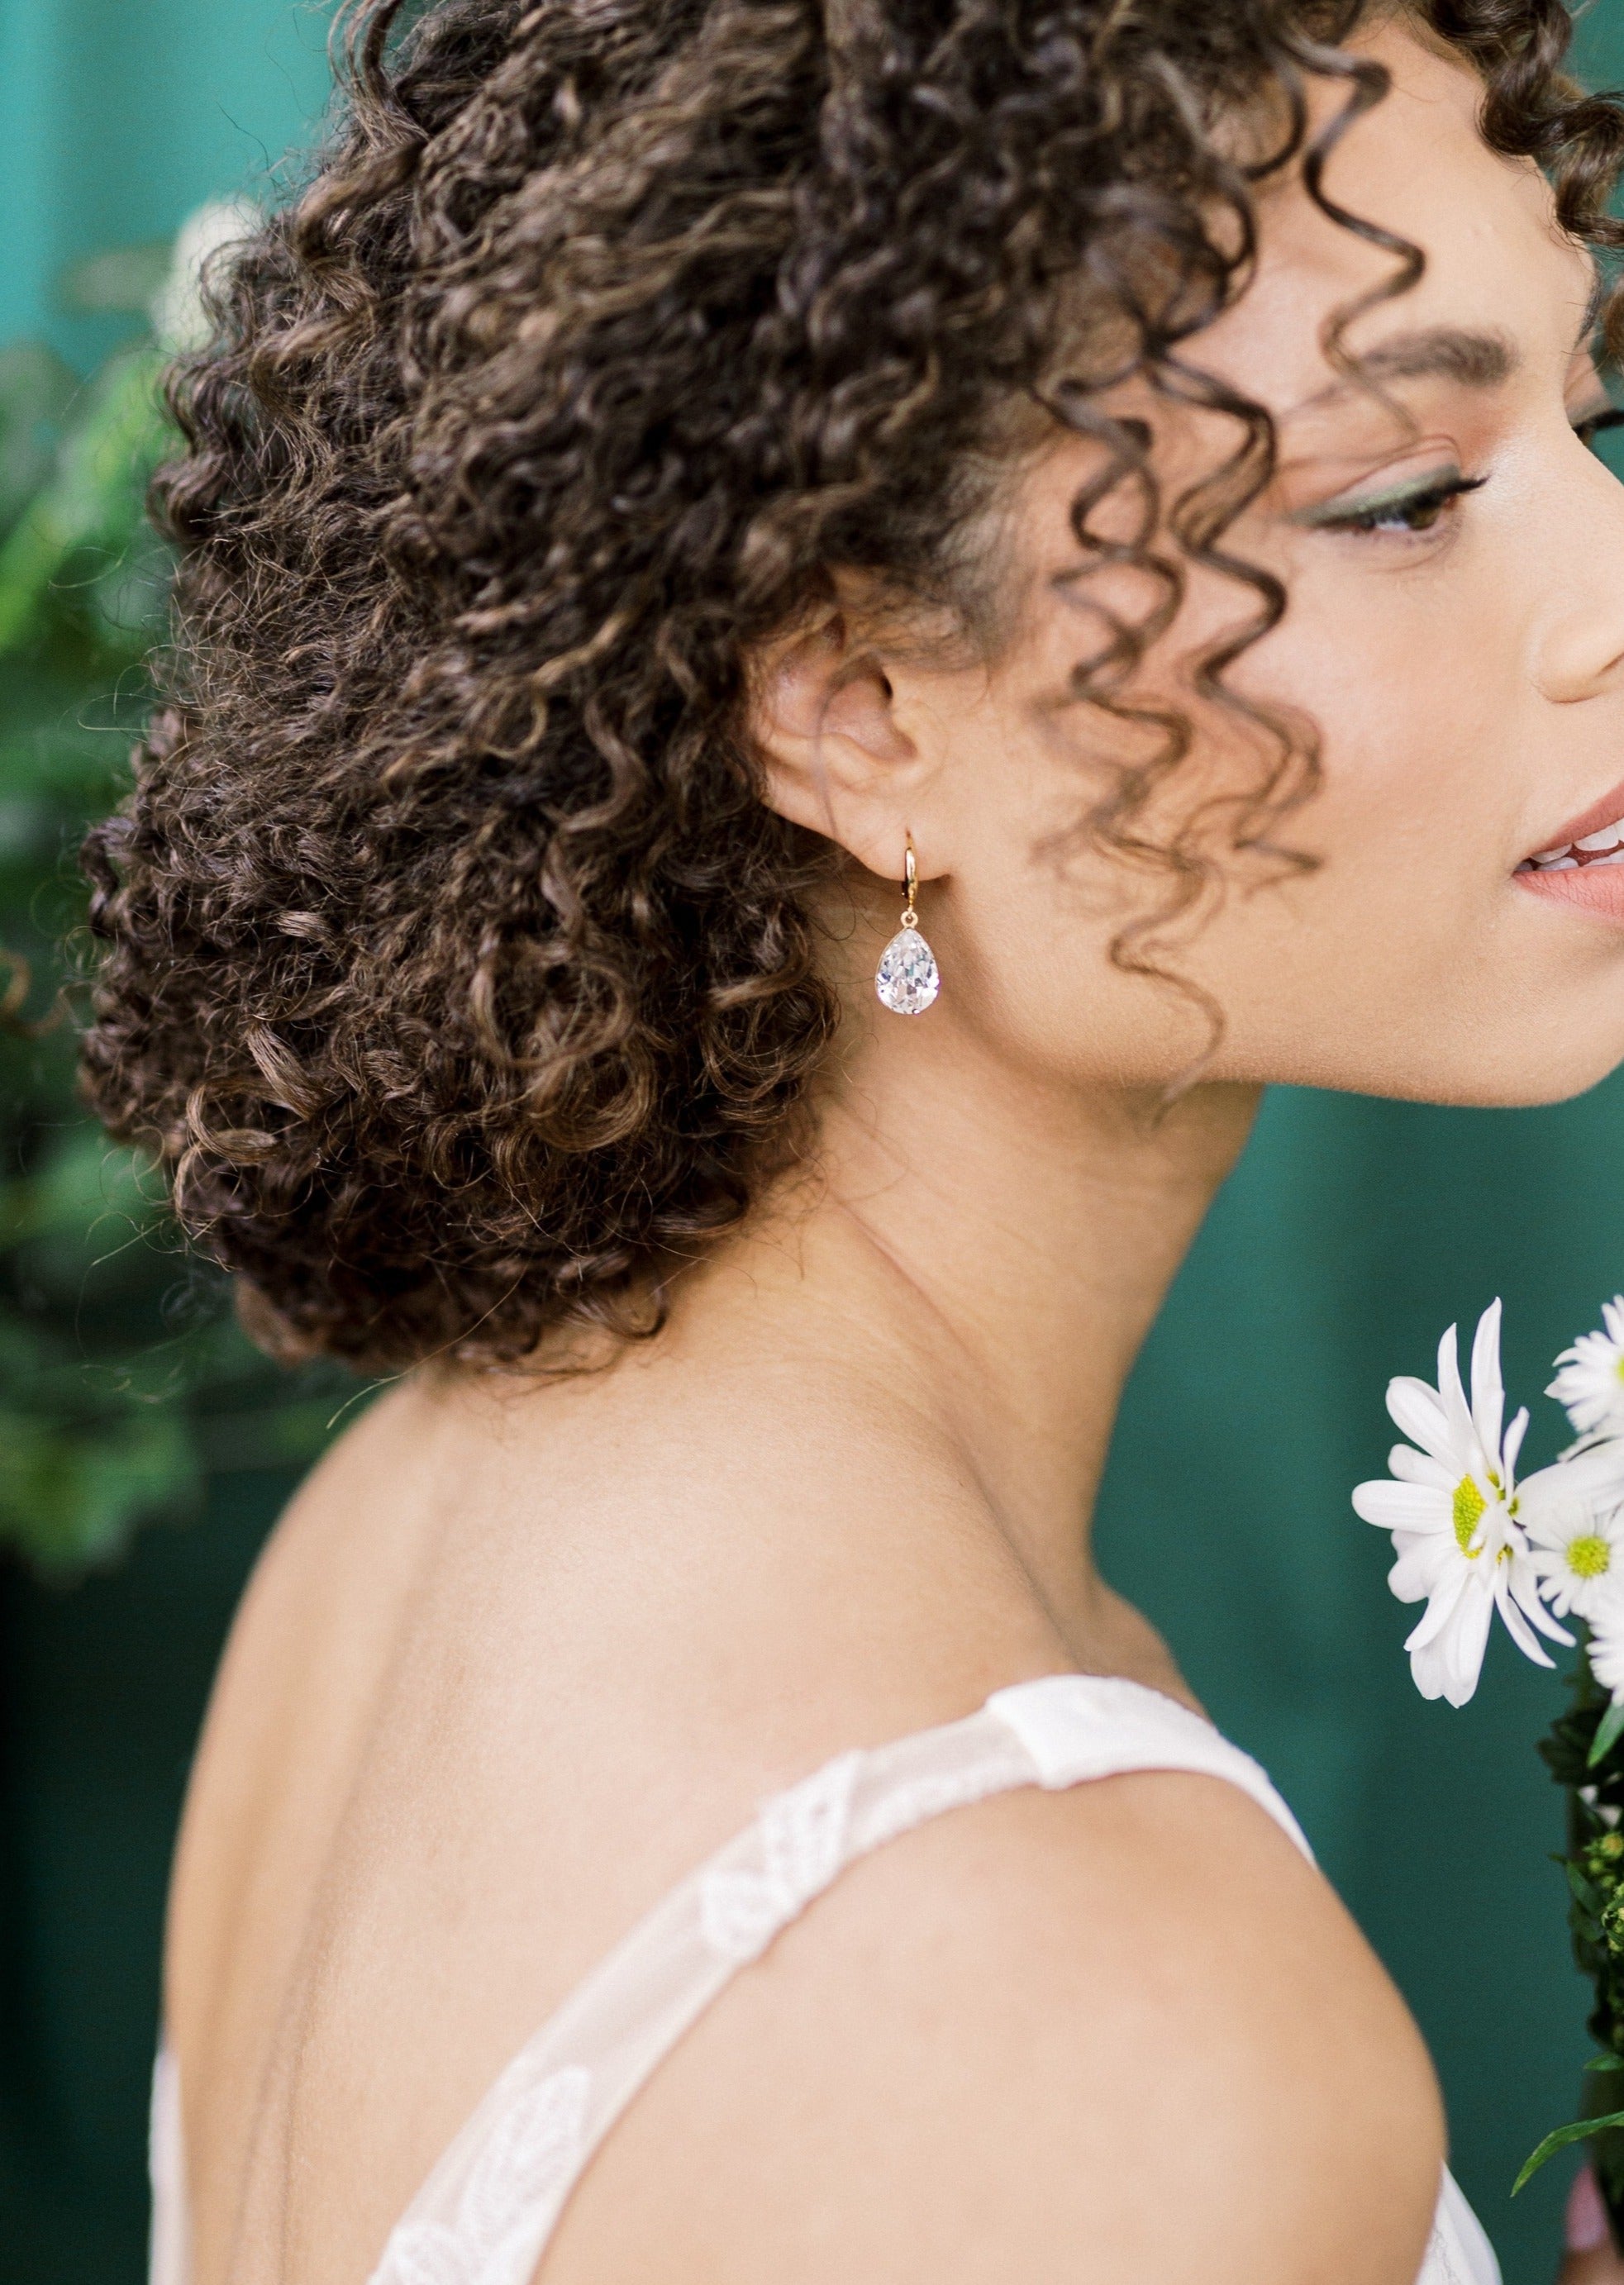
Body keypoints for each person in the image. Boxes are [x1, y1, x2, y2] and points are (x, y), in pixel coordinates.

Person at [79, 0, 1624, 2277]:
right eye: (1404, 499)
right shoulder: (1117, 2035)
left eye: (1592, 416)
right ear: (856, 707)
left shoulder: (396, 1528)